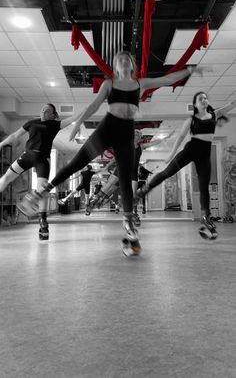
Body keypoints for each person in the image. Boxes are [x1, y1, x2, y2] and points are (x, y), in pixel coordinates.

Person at [18, 51, 202, 256]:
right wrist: (78, 123)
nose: (123, 62)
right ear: (115, 66)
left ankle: (129, 223)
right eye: (119, 60)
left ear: (131, 64)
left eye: (126, 59)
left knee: (125, 179)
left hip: (125, 136)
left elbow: (167, 79)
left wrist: (188, 70)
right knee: (76, 164)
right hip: (106, 130)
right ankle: (40, 192)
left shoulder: (140, 83)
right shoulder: (109, 84)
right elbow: (94, 105)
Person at [137, 92, 236, 239]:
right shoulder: (191, 119)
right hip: (190, 150)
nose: (204, 100)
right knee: (167, 173)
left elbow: (231, 105)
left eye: (205, 98)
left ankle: (205, 217)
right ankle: (144, 190)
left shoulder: (215, 114)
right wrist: (171, 155)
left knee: (204, 187)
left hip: (204, 154)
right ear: (195, 104)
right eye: (200, 98)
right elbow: (180, 137)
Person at [0, 103, 86, 240]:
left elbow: (73, 118)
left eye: (47, 110)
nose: (44, 111)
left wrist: (87, 108)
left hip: (42, 160)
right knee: (5, 178)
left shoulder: (55, 124)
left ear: (53, 114)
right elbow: (15, 136)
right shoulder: (31, 122)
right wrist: (1, 144)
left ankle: (43, 222)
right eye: (42, 109)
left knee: (42, 190)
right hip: (27, 156)